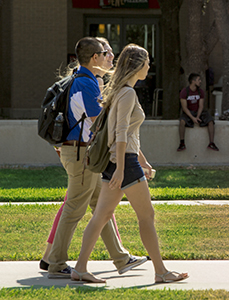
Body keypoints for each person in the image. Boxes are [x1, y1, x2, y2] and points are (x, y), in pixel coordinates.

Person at [70, 43, 189, 284]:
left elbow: (129, 135)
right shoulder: (127, 93)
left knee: (101, 216)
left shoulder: (120, 92)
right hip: (123, 163)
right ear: (136, 66)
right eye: (146, 63)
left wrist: (143, 161)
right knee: (147, 216)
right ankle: (161, 272)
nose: (149, 67)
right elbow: (120, 132)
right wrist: (124, 169)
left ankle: (80, 268)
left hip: (122, 161)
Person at [47, 37, 147, 279]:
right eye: (106, 53)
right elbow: (102, 125)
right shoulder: (87, 84)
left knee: (100, 206)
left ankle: (121, 259)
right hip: (81, 153)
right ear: (95, 58)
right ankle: (57, 263)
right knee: (74, 208)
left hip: (81, 152)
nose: (110, 56)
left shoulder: (88, 80)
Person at [177, 73, 219, 152]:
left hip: (199, 112)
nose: (200, 82)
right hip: (189, 112)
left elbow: (201, 106)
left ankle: (211, 143)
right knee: (182, 122)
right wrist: (192, 118)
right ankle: (182, 143)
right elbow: (184, 108)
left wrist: (198, 117)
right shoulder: (184, 92)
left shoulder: (201, 92)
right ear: (193, 81)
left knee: (210, 121)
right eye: (198, 80)